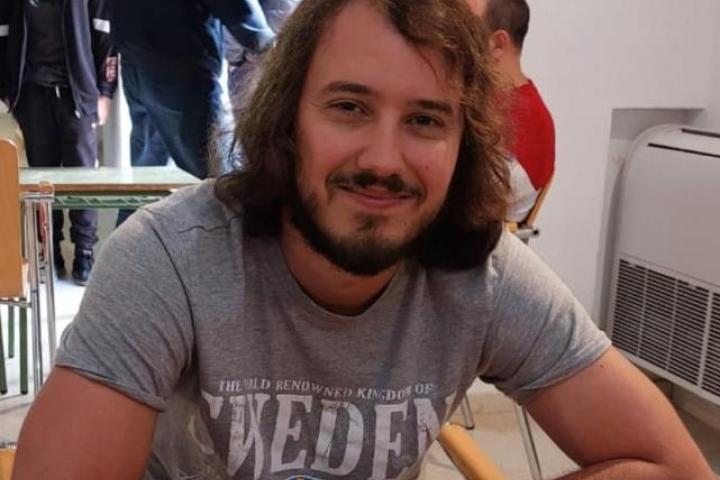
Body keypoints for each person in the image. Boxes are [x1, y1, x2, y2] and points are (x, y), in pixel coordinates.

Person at [12, 0, 715, 479]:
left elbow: (675, 467)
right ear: (287, 122)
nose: (384, 159)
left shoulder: (486, 276)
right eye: (349, 107)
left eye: (425, 121)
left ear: (464, 144)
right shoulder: (171, 259)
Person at [113, 0, 275, 225]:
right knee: (217, 179)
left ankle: (127, 244)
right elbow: (240, 11)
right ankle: (233, 242)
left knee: (147, 176)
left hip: (136, 52)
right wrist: (269, 45)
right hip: (180, 59)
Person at [0, 0, 117, 285]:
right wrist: (6, 90)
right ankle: (49, 251)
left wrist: (105, 92)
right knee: (42, 180)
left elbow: (106, 33)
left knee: (83, 177)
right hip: (32, 94)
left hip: (78, 94)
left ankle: (84, 252)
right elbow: (2, 34)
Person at [470, 0, 555, 223]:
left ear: (497, 44)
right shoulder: (483, 99)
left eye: (466, 27)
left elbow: (471, 208)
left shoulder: (528, 123)